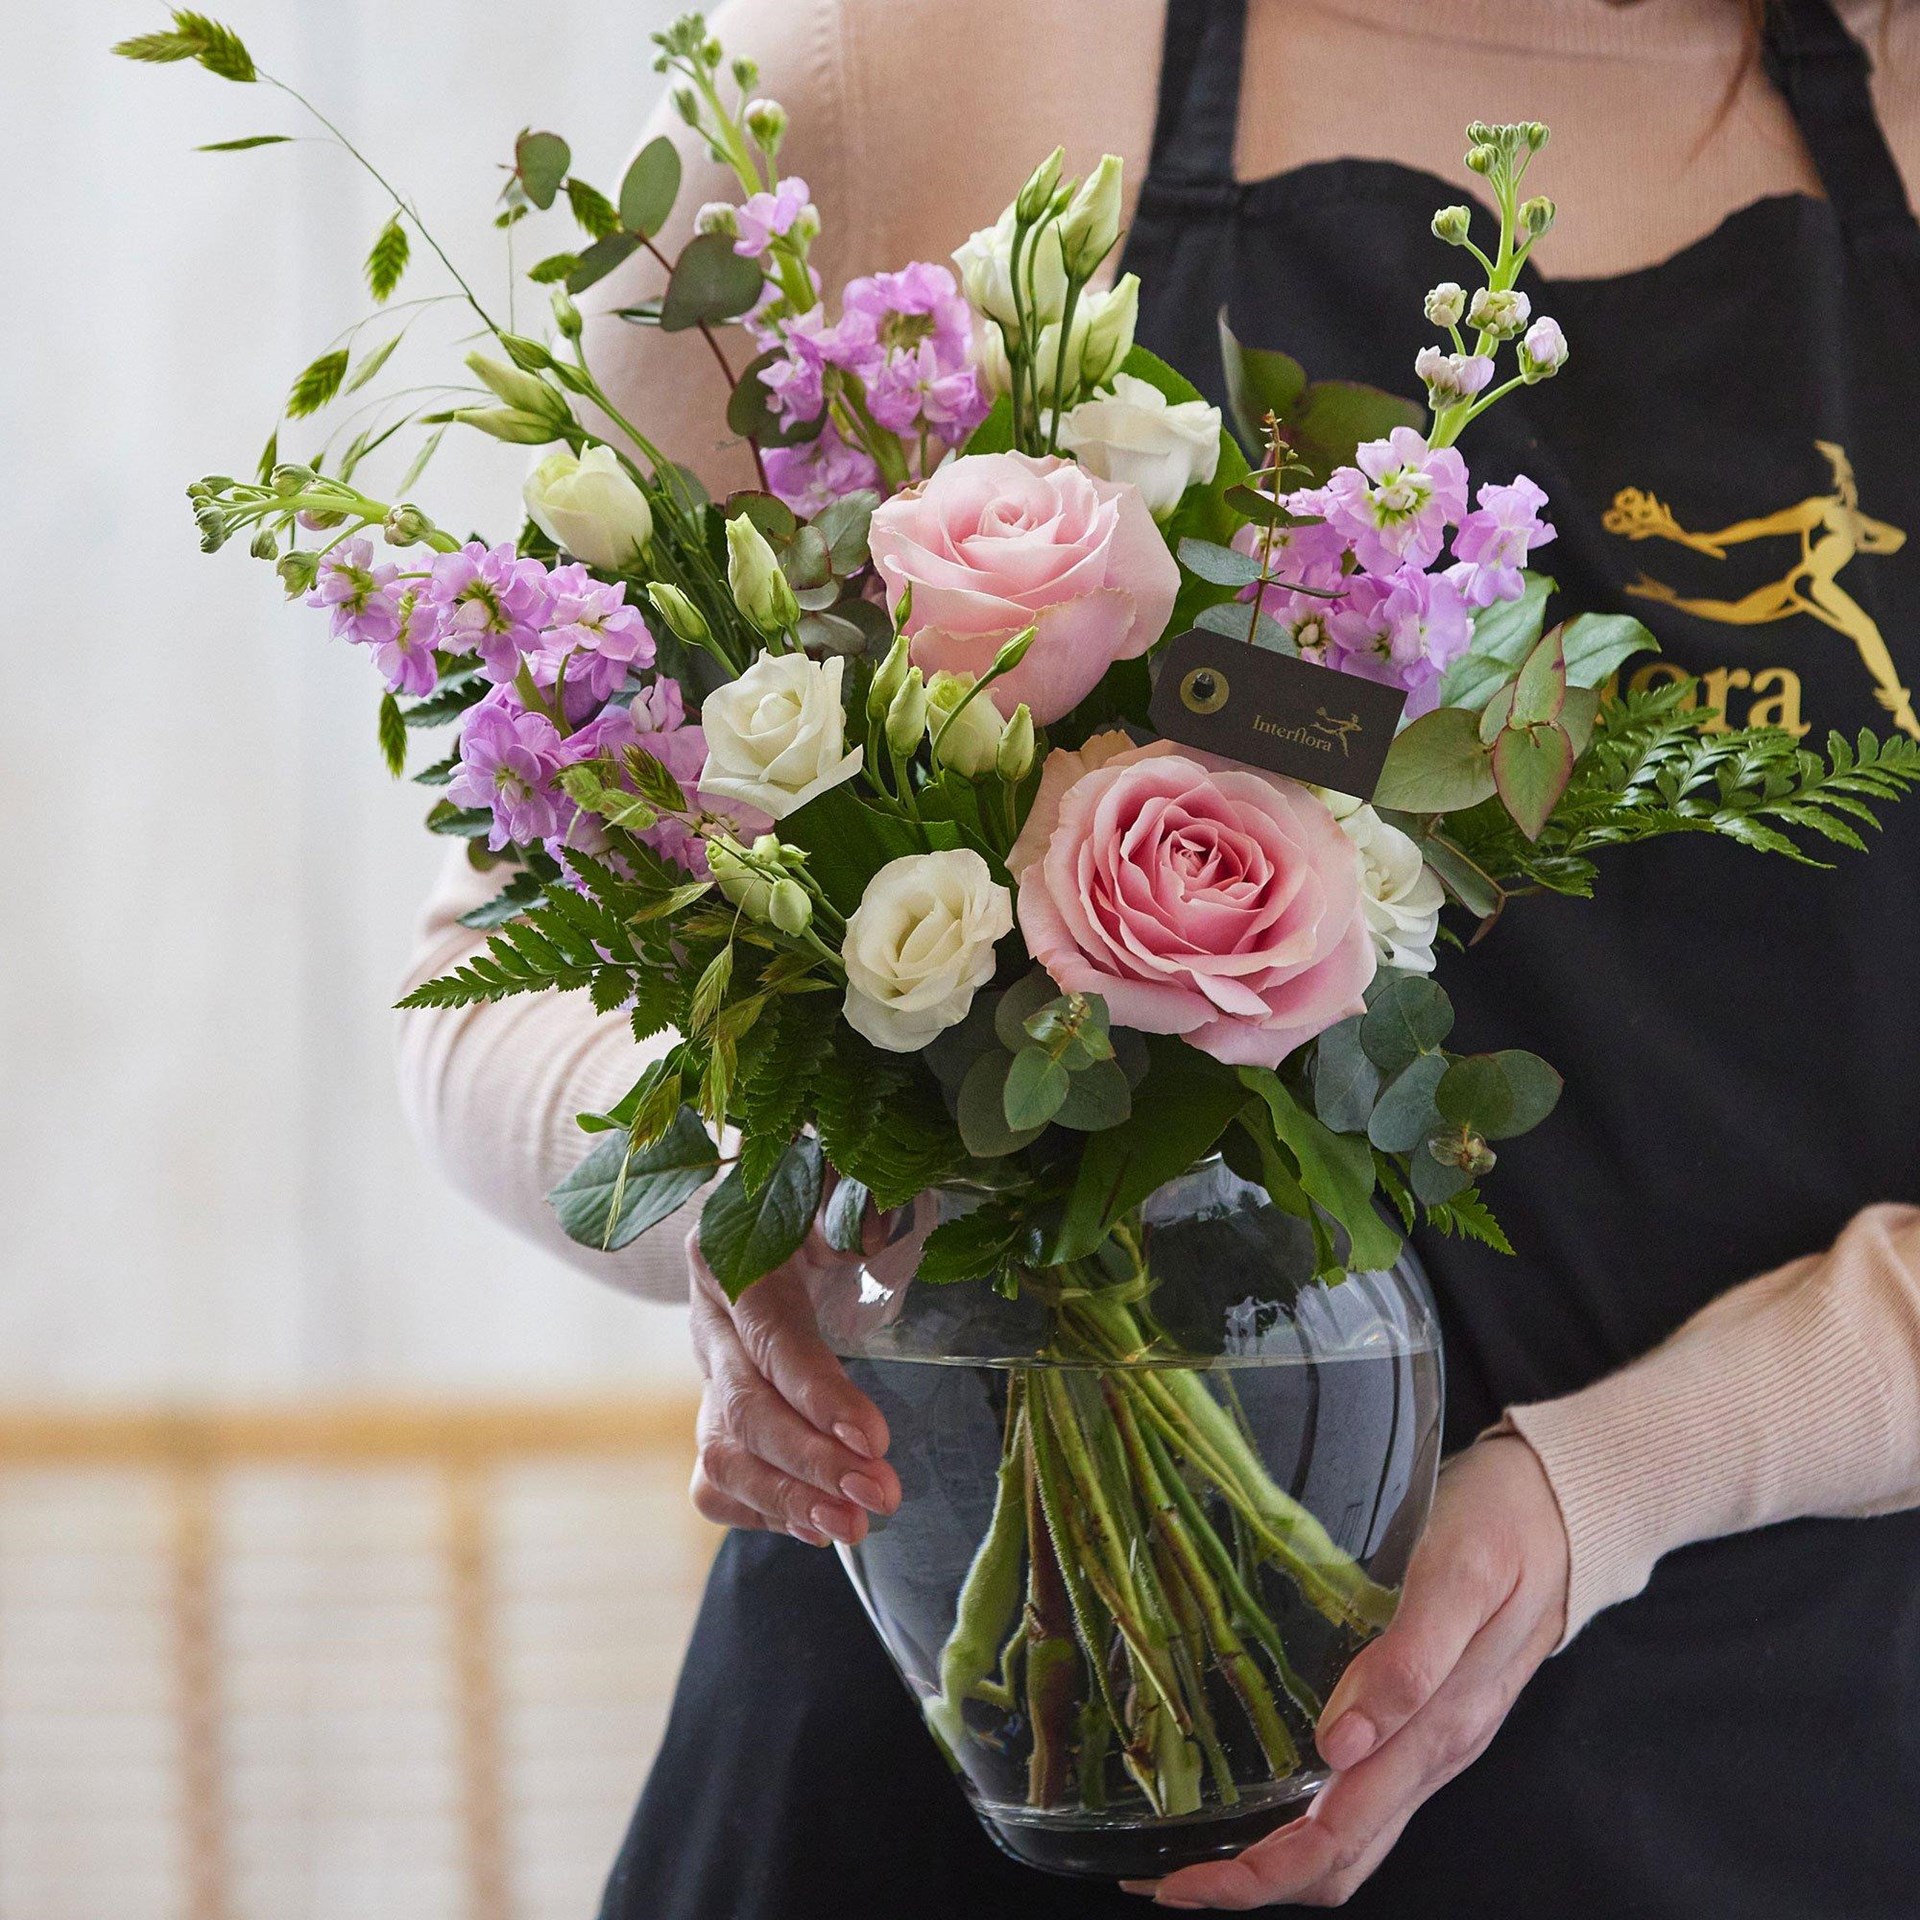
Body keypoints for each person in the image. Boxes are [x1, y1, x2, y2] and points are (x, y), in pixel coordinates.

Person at [396, 0, 1920, 1910]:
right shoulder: (934, 71)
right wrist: (738, 1187)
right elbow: (500, 951)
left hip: (1750, 1783)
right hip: (964, 1763)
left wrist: (1615, 1484)